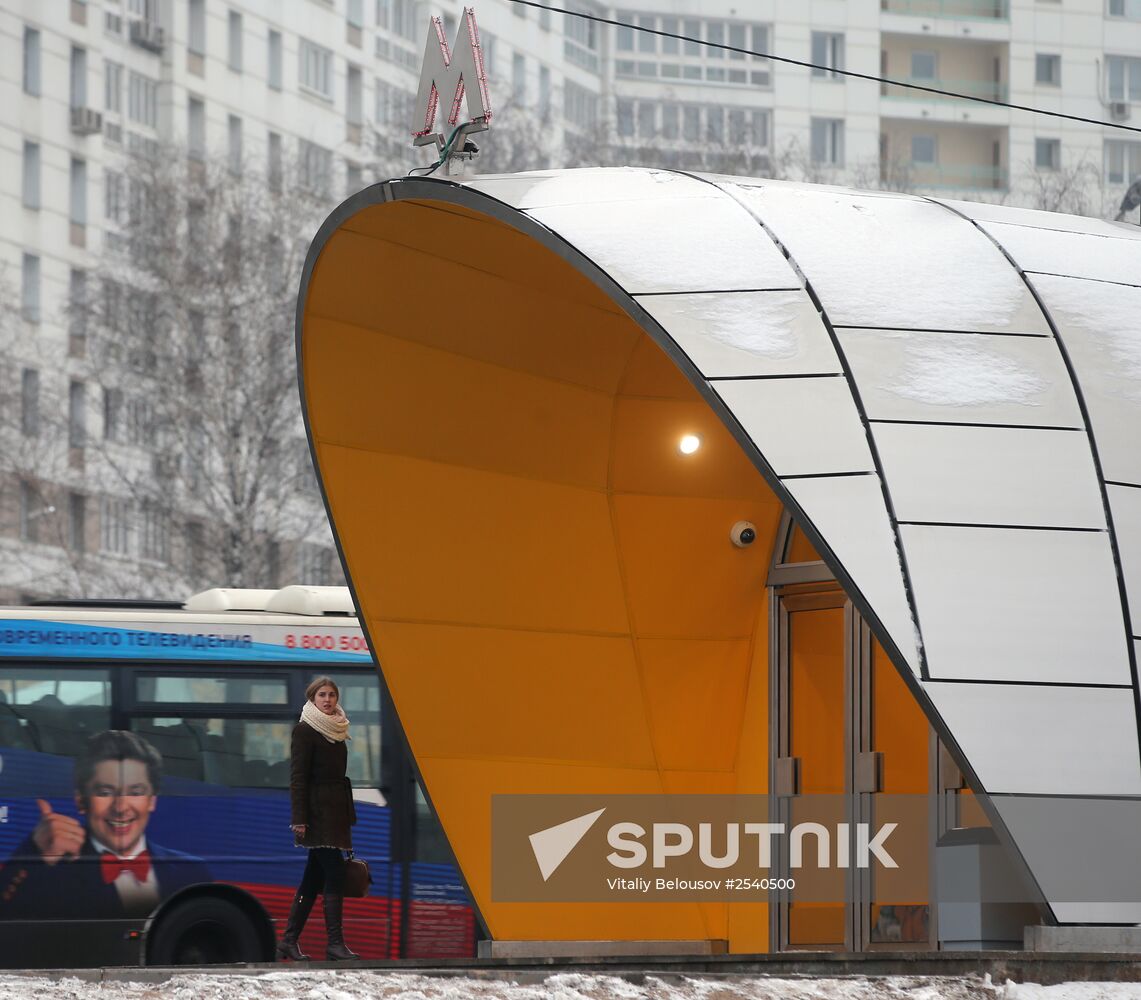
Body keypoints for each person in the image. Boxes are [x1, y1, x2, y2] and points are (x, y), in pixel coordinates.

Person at [0, 730, 210, 918]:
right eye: (105, 793)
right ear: (81, 801)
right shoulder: (51, 869)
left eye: (135, 792)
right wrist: (34, 852)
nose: (120, 807)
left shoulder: (191, 870)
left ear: (152, 800)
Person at [277, 675, 359, 961]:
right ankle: (335, 943)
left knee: (313, 879)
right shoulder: (305, 730)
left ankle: (288, 940)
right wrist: (299, 818)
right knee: (334, 873)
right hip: (316, 813)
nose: (327, 700)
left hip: (335, 812)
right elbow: (298, 778)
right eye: (322, 695)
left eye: (332, 695)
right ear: (312, 699)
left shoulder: (338, 729)